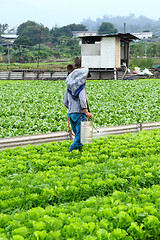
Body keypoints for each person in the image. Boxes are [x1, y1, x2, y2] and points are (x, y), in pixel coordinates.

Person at [64, 61, 93, 152]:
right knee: (80, 136)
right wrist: (86, 111)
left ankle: (80, 153)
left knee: (77, 135)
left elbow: (65, 102)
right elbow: (82, 100)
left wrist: (71, 110)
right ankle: (70, 152)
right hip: (79, 114)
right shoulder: (81, 88)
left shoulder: (69, 88)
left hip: (71, 114)